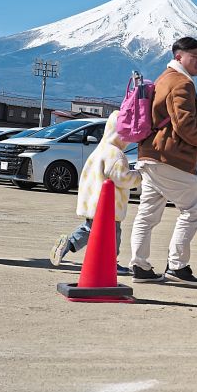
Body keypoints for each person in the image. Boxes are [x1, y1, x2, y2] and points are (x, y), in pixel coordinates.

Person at [128, 36, 197, 285]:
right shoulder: (182, 83)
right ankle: (177, 266)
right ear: (179, 56)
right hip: (171, 158)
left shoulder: (162, 79)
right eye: (195, 57)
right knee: (193, 210)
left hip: (149, 155)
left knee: (147, 214)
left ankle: (139, 266)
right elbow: (185, 125)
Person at [50, 111, 142, 274]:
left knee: (89, 229)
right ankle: (110, 262)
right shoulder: (116, 154)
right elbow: (122, 178)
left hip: (93, 201)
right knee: (113, 235)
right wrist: (139, 176)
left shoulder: (100, 149)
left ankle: (68, 244)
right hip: (108, 207)